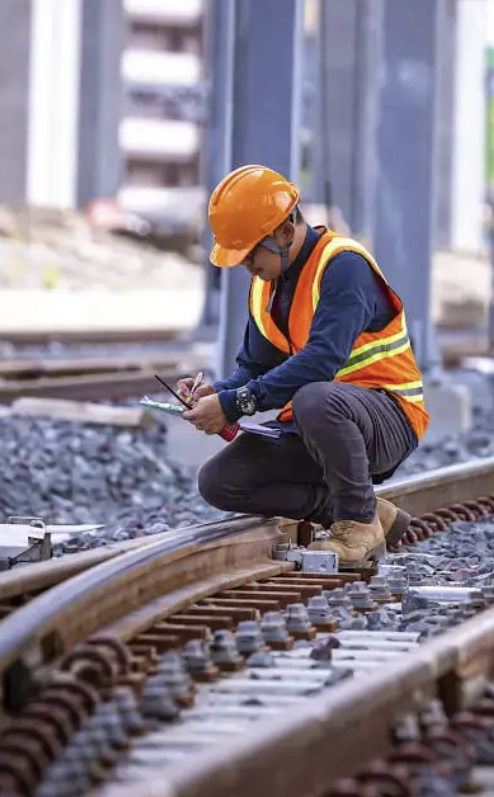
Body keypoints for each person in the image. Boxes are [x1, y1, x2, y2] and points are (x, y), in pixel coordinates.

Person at [178, 164, 430, 567]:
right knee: (220, 482)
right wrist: (220, 393)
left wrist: (234, 405)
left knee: (315, 398)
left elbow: (320, 362)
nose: (246, 266)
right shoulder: (267, 286)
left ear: (284, 231)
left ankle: (357, 527)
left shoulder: (343, 266)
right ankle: (366, 510)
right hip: (317, 423)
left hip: (388, 419)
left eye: (249, 253)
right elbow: (254, 367)